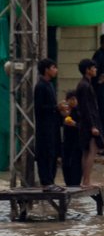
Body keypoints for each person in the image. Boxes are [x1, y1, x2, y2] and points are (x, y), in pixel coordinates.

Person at [33, 58, 61, 189]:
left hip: (52, 125)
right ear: (46, 70)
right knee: (45, 152)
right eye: (53, 67)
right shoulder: (40, 86)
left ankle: (51, 180)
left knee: (53, 152)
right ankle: (46, 182)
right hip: (44, 127)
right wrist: (55, 107)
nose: (56, 70)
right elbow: (39, 108)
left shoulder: (50, 84)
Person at [75, 58, 102, 186]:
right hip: (88, 123)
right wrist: (92, 126)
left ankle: (85, 180)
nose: (95, 70)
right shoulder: (84, 86)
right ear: (87, 70)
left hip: (86, 122)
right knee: (91, 150)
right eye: (93, 68)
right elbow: (86, 107)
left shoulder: (85, 84)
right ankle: (86, 180)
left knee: (86, 151)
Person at [59, 91, 82, 187]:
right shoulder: (65, 112)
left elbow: (84, 126)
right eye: (71, 99)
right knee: (66, 163)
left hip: (77, 142)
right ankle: (68, 183)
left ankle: (76, 183)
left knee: (76, 163)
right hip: (67, 141)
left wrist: (75, 124)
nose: (73, 101)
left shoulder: (80, 112)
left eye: (75, 99)